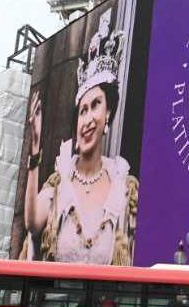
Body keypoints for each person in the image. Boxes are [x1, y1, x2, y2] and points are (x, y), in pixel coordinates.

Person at [21, 17, 139, 265]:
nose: (86, 119)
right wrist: (35, 151)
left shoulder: (123, 186)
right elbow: (32, 223)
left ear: (108, 114)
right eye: (82, 110)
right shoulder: (59, 180)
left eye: (95, 105)